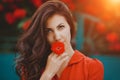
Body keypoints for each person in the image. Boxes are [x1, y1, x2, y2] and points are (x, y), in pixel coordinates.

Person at [16, 0, 104, 80]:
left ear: (70, 26)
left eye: (61, 27)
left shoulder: (92, 67)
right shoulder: (31, 68)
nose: (57, 37)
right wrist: (47, 74)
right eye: (49, 31)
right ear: (43, 35)